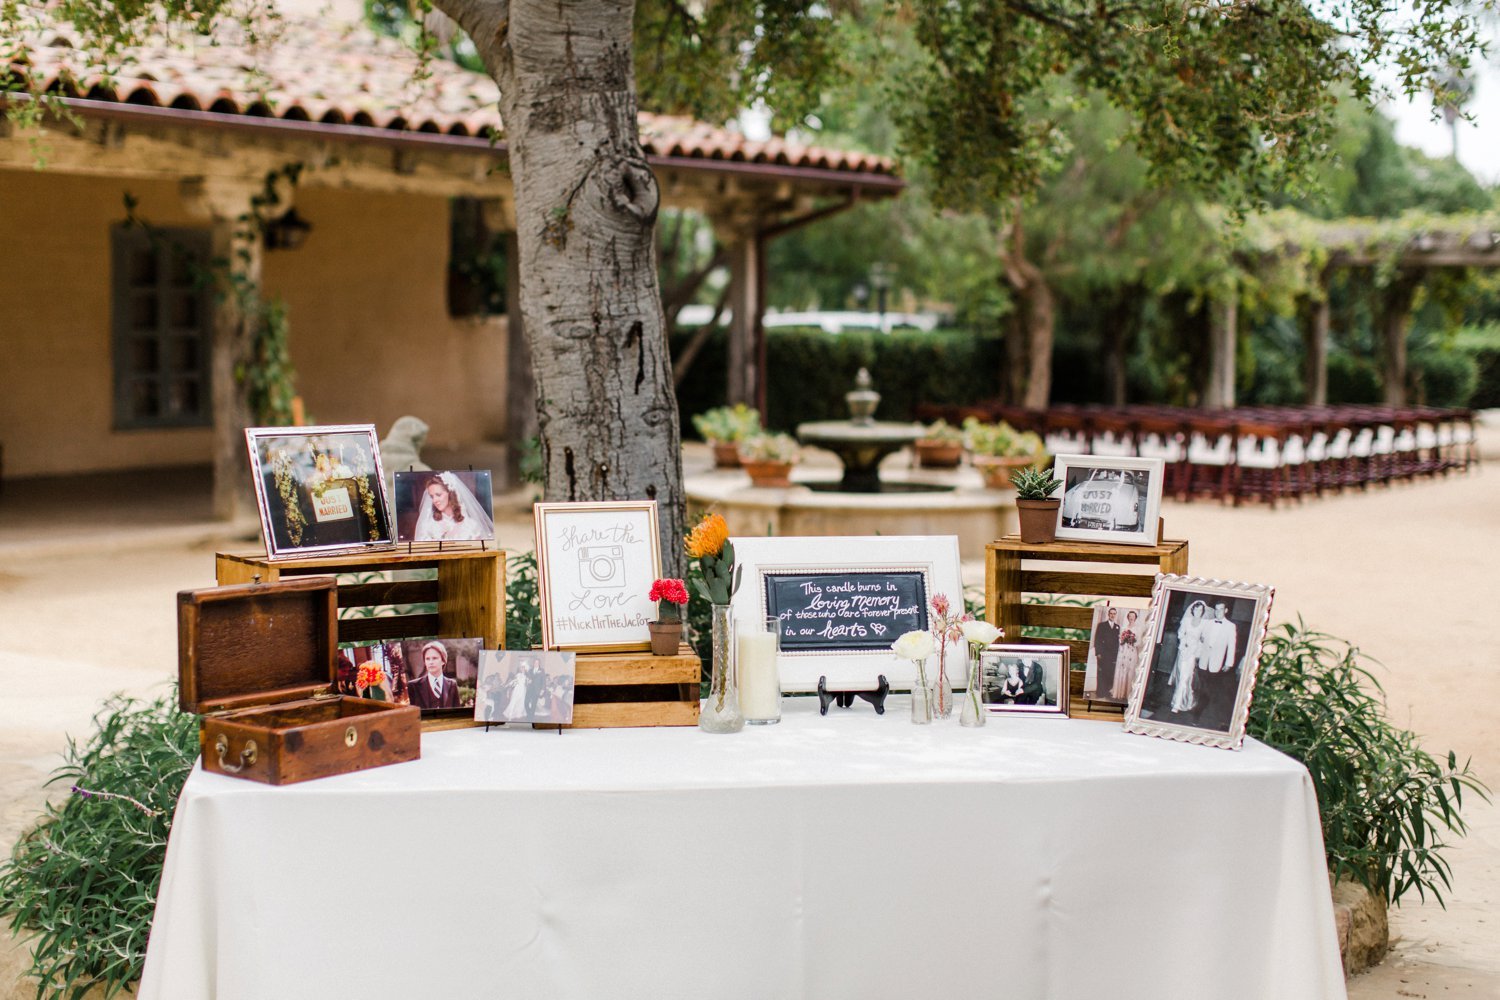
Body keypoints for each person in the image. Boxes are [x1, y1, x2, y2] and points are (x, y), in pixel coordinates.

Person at [1193, 601, 1240, 731]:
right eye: (1216, 609)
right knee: (1203, 688)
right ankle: (1200, 709)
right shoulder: (1209, 623)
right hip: (1203, 661)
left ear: (1226, 611)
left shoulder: (1230, 626)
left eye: (1221, 609)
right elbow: (1202, 639)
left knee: (1208, 689)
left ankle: (1198, 712)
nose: (1218, 612)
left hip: (1216, 663)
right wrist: (1198, 655)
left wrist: (1229, 663)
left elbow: (1232, 646)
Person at [412, 472, 495, 542]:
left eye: (438, 495)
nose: (434, 500)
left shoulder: (471, 526)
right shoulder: (428, 526)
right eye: (432, 496)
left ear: (450, 493)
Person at [1169, 600, 1207, 714]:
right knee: (1182, 678)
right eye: (1196, 609)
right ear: (1192, 610)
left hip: (1193, 653)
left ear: (1202, 611)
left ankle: (1177, 704)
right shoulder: (1186, 620)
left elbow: (1203, 639)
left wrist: (1198, 647)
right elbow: (1181, 633)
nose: (1198, 612)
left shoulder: (1204, 624)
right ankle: (1187, 700)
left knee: (1185, 678)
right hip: (1183, 650)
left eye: (1200, 610)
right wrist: (1185, 642)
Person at [407, 641, 460, 710]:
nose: (431, 662)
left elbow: (457, 712)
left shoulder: (452, 684)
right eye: (427, 659)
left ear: (443, 661)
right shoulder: (413, 685)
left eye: (434, 658)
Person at [1090, 607, 1121, 699]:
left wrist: (1116, 656)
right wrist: (1098, 653)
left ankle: (1107, 691)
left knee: (1110, 673)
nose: (1112, 615)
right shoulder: (1102, 625)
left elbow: (1117, 643)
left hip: (1112, 655)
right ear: (1108, 614)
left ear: (1116, 615)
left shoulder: (1117, 627)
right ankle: (1100, 692)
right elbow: (1097, 639)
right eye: (1111, 613)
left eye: (1114, 613)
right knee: (1101, 672)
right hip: (1103, 653)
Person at [1111, 610, 1140, 702]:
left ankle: (1126, 693)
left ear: (1135, 618)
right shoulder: (1124, 627)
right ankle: (1119, 692)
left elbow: (1139, 642)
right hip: (1123, 651)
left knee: (1129, 670)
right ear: (1128, 617)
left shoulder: (1138, 628)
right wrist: (1123, 640)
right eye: (1130, 616)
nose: (1131, 618)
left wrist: (1132, 641)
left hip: (1131, 651)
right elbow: (1120, 639)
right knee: (1121, 669)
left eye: (1133, 616)